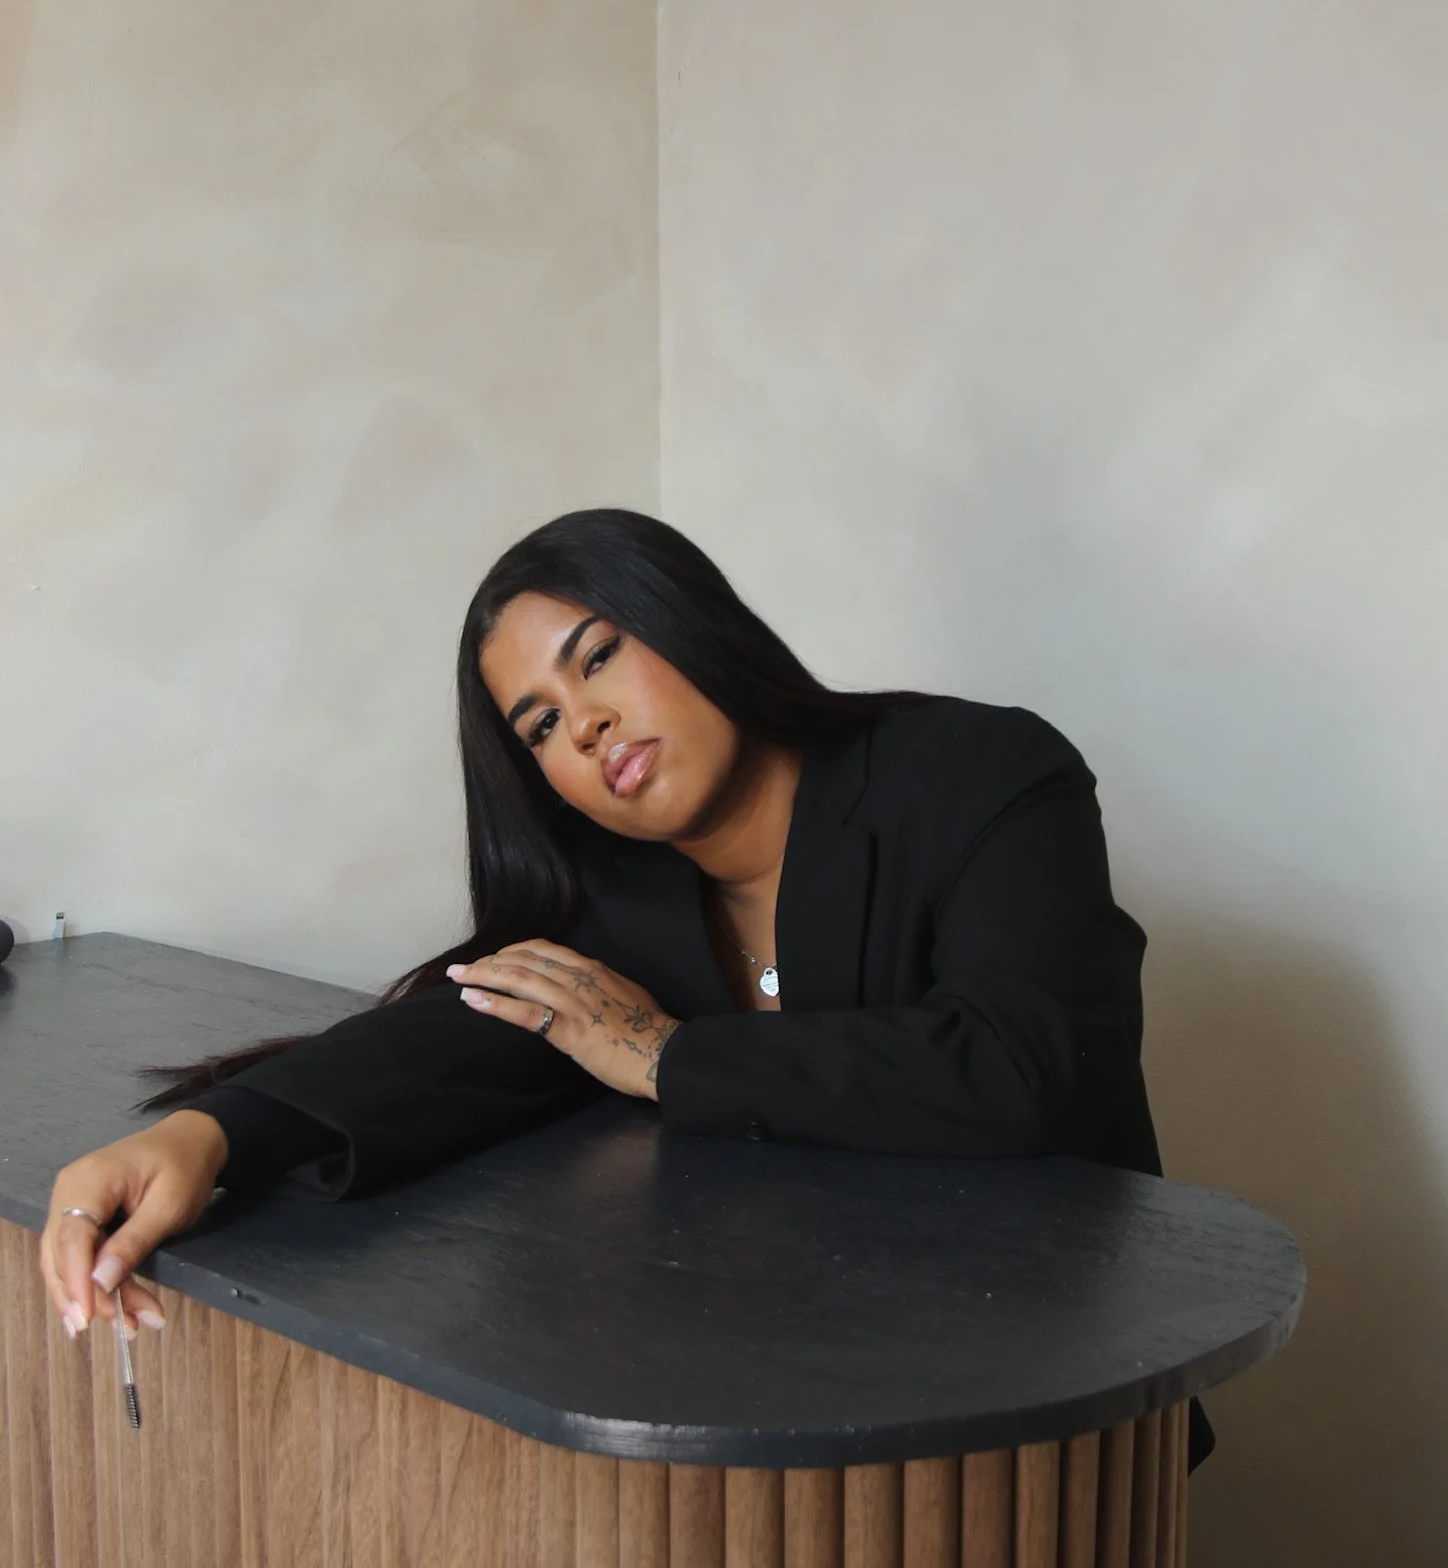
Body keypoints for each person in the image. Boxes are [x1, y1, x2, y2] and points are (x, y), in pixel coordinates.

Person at [39, 506, 1213, 1466]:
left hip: (1038, 1410)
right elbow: (469, 1031)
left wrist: (661, 1058)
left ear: (688, 621)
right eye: (541, 725)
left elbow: (1025, 1071)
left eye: (597, 656)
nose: (587, 723)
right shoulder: (623, 895)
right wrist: (209, 1137)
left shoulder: (981, 773)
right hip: (770, 1407)